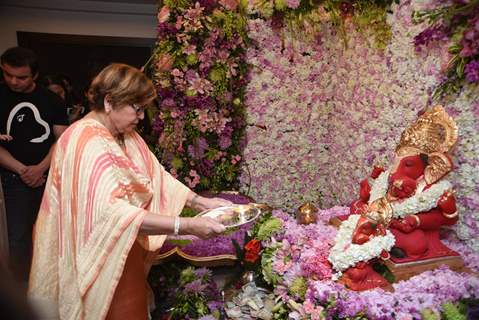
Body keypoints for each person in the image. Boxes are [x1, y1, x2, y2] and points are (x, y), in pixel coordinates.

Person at [29, 63, 231, 320]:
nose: (140, 117)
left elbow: (157, 176)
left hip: (123, 249)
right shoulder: (84, 141)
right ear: (110, 101)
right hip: (96, 256)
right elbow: (111, 214)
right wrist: (186, 226)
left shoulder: (125, 134)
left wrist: (202, 202)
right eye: (136, 109)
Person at [0, 47, 69, 285]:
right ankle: (20, 298)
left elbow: (62, 141)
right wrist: (22, 170)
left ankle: (46, 288)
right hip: (11, 179)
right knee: (17, 238)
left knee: (48, 235)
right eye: (7, 74)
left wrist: (40, 169)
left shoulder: (51, 101)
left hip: (47, 177)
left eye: (21, 77)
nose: (13, 81)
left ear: (35, 75)